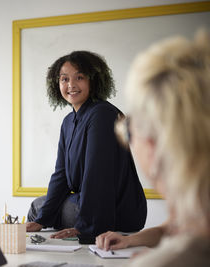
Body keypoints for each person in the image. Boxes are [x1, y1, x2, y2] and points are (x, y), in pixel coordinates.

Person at [96, 30, 210, 266]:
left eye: (128, 130)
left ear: (152, 144)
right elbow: (172, 227)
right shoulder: (196, 211)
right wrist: (131, 240)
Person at [26, 51, 147, 238]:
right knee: (40, 209)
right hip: (86, 201)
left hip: (115, 210)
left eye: (79, 77)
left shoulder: (102, 114)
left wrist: (87, 228)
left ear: (94, 80)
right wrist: (42, 220)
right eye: (64, 79)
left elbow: (97, 175)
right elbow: (61, 176)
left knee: (38, 206)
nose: (71, 85)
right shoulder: (68, 122)